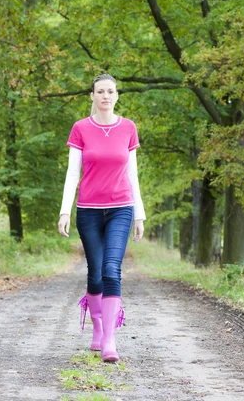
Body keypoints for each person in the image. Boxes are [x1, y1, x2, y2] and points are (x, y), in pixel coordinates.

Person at [58, 74, 145, 362]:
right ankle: (97, 326)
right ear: (92, 96)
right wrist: (64, 211)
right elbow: (73, 174)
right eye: (100, 91)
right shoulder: (81, 128)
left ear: (116, 96)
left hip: (122, 207)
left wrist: (139, 215)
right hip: (88, 210)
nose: (105, 96)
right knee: (95, 273)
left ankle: (109, 339)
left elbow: (133, 174)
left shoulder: (128, 128)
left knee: (111, 270)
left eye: (110, 91)